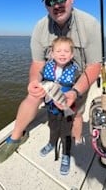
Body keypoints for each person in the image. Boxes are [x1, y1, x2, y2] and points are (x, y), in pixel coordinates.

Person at [0, 0, 102, 164]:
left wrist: (75, 91)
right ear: (46, 5)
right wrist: (33, 82)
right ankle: (16, 137)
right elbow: (37, 63)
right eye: (50, 0)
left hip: (78, 80)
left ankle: (73, 144)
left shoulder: (90, 24)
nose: (56, 5)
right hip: (50, 79)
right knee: (32, 96)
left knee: (75, 113)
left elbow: (94, 65)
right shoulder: (39, 28)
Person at [39, 36, 79, 175]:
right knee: (53, 126)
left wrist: (73, 96)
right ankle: (51, 143)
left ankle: (66, 154)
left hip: (66, 106)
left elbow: (79, 89)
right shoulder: (48, 66)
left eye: (66, 51)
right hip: (51, 108)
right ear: (52, 53)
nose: (62, 54)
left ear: (72, 54)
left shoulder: (75, 70)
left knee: (66, 132)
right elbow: (43, 84)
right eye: (58, 51)